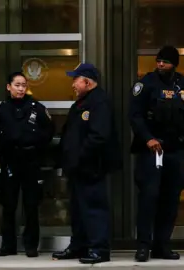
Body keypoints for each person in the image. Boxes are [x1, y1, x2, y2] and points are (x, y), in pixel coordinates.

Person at [129, 45, 184, 262]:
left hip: (175, 150)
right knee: (149, 198)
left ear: (175, 64)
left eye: (165, 61)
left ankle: (162, 245)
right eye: (158, 61)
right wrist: (148, 138)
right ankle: (143, 246)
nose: (160, 64)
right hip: (152, 150)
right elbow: (135, 116)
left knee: (171, 199)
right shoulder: (145, 84)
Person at [51, 63, 121, 264]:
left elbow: (98, 137)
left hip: (91, 167)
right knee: (78, 209)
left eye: (76, 80)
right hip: (77, 168)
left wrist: (80, 157)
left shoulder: (99, 102)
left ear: (87, 82)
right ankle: (78, 246)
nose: (73, 84)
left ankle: (99, 249)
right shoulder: (81, 103)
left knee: (94, 208)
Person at [0, 72, 55, 258]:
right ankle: (8, 245)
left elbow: (49, 131)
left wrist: (36, 144)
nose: (21, 88)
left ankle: (31, 246)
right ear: (8, 86)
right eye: (17, 85)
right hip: (10, 161)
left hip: (30, 161)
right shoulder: (2, 109)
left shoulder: (36, 107)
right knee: (8, 205)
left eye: (23, 85)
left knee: (31, 205)